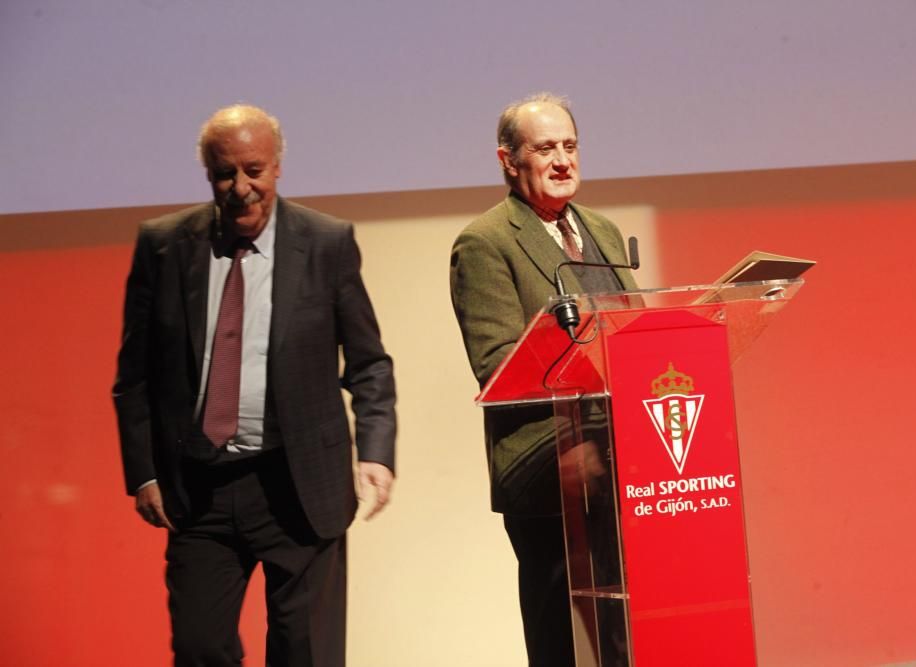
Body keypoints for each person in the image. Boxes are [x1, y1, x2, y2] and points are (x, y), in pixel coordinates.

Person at [113, 103, 397, 667]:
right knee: (200, 648)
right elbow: (133, 375)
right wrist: (142, 471)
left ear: (277, 168)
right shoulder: (164, 245)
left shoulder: (326, 242)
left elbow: (369, 363)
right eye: (225, 173)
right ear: (208, 175)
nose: (241, 188)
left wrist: (376, 451)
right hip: (199, 491)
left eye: (254, 170)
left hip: (299, 485)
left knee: (305, 653)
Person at [450, 93, 639, 666]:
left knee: (622, 635)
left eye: (570, 146)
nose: (562, 160)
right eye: (545, 148)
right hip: (550, 467)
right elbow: (499, 363)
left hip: (624, 461)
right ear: (508, 160)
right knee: (563, 640)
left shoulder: (603, 230)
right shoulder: (486, 242)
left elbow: (631, 334)